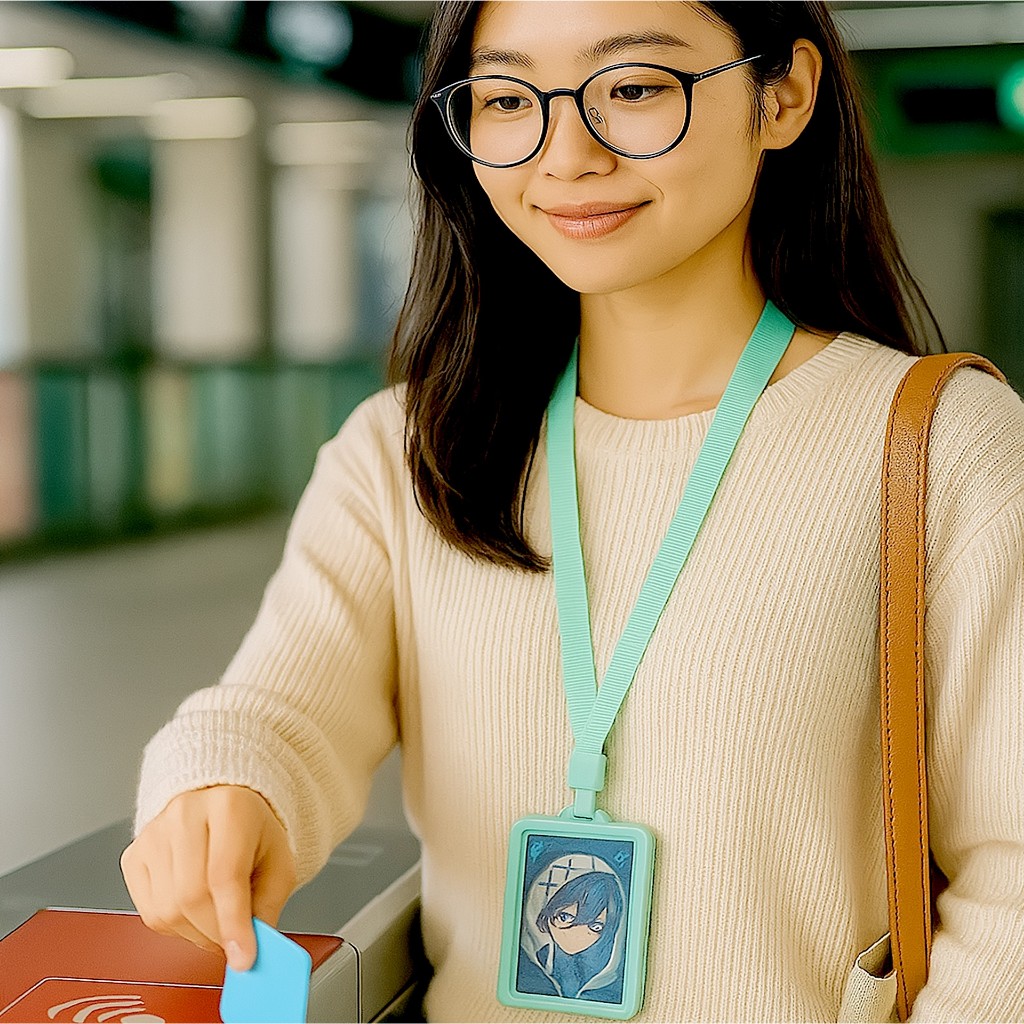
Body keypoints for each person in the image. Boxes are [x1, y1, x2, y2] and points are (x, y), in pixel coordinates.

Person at [121, 2, 1024, 1021]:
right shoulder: (408, 451)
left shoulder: (940, 444)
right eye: (507, 98)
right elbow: (278, 711)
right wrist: (220, 788)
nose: (565, 153)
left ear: (784, 95)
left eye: (634, 87)